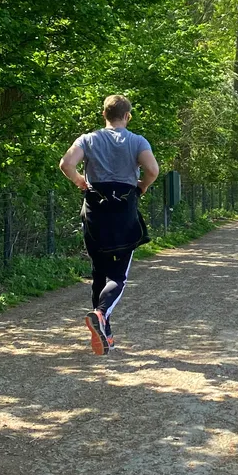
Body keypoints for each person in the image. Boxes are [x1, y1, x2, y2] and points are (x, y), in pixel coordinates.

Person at [59, 95, 159, 355]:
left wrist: (81, 181)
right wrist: (143, 186)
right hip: (123, 210)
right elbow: (153, 169)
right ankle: (101, 315)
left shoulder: (88, 139)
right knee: (119, 276)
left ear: (104, 114)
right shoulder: (137, 141)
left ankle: (105, 334)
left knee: (99, 272)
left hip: (94, 210)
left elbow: (66, 164)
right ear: (128, 116)